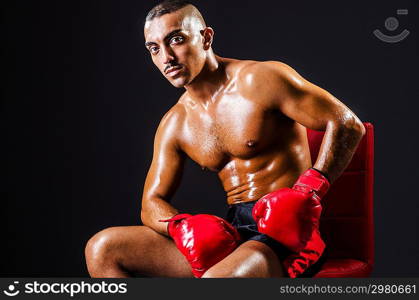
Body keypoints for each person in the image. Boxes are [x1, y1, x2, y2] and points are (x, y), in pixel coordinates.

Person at [84, 0, 365, 278]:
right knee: (103, 249)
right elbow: (151, 204)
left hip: (287, 235)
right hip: (233, 235)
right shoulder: (176, 122)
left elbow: (347, 124)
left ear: (206, 38)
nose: (166, 57)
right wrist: (181, 226)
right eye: (154, 48)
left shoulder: (260, 80)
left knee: (217, 282)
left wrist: (308, 191)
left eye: (177, 40)